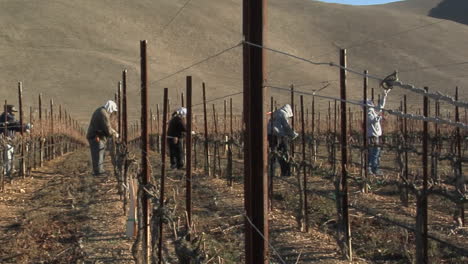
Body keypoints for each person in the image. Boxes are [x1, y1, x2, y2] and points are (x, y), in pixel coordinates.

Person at [86, 100, 119, 176]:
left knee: (100, 153)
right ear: (110, 108)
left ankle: (99, 170)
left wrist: (112, 131)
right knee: (98, 153)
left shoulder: (101, 111)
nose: (112, 113)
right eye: (112, 110)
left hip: (97, 135)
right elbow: (107, 128)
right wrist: (114, 134)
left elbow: (107, 126)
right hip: (96, 136)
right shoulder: (103, 113)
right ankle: (98, 172)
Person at [267, 104, 298, 176]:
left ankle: (271, 173)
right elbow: (286, 127)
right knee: (284, 154)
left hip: (270, 136)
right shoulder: (282, 114)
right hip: (279, 136)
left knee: (273, 154)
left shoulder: (275, 113)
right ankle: (286, 173)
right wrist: (293, 135)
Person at [0, 105, 31, 176]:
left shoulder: (7, 118)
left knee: (9, 155)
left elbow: (15, 126)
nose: (13, 113)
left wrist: (23, 128)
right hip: (5, 139)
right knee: (8, 156)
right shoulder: (5, 117)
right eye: (11, 111)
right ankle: (7, 172)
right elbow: (16, 124)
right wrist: (26, 127)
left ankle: (8, 170)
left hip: (9, 140)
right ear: (7, 111)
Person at [366, 89, 390, 175]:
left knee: (374, 153)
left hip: (375, 136)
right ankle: (373, 169)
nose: (372, 103)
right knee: (374, 153)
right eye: (371, 103)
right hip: (372, 136)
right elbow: (371, 120)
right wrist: (379, 117)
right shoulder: (368, 113)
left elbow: (381, 106)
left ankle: (370, 169)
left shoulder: (373, 111)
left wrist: (384, 95)